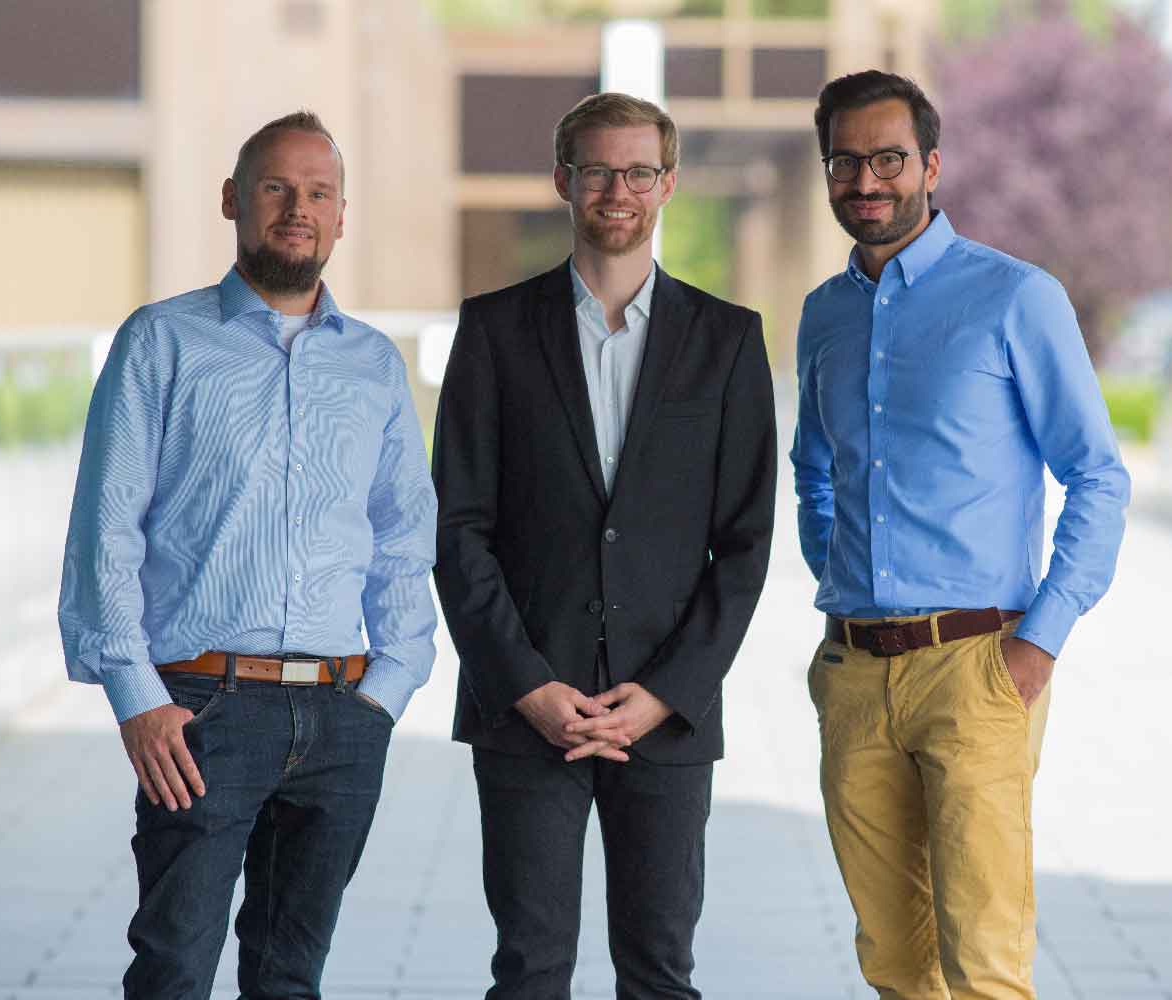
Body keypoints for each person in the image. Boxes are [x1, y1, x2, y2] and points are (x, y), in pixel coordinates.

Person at [57, 110, 436, 999]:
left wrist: (387, 689)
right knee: (174, 971)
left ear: (342, 216)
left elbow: (402, 535)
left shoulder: (375, 365)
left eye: (318, 193)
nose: (296, 208)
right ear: (233, 198)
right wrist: (138, 699)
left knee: (290, 977)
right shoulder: (162, 341)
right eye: (276, 187)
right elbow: (105, 528)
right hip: (200, 712)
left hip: (344, 713)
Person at [792, 70, 1130, 999]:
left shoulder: (1015, 298)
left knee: (983, 965)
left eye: (889, 158)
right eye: (846, 161)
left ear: (931, 165)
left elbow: (1097, 474)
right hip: (856, 675)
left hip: (979, 668)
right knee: (896, 966)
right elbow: (813, 468)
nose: (868, 180)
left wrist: (1038, 643)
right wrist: (838, 575)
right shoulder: (823, 315)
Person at [432, 92, 776, 1000]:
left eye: (637, 172)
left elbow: (745, 545)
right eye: (597, 171)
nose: (616, 190)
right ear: (563, 181)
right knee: (529, 971)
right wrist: (527, 685)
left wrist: (667, 694)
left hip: (664, 714)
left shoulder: (730, 341)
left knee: (661, 973)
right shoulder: (494, 330)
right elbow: (457, 526)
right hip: (526, 708)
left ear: (667, 184)